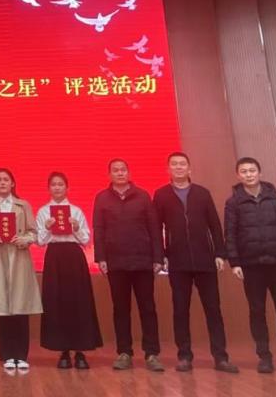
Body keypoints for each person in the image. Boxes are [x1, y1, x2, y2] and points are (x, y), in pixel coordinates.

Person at [153, 152, 238, 373]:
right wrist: (161, 255)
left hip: (205, 260)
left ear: (189, 169)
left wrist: (220, 253)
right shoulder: (161, 195)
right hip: (177, 261)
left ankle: (221, 357)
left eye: (182, 164)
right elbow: (155, 229)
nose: (178, 167)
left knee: (213, 309)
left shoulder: (202, 193)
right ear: (168, 169)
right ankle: (184, 356)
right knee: (180, 310)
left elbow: (215, 225)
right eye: (174, 164)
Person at [224, 157, 276, 375]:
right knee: (257, 312)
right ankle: (264, 357)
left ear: (260, 173)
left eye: (252, 170)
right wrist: (234, 262)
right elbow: (230, 234)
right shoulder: (233, 203)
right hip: (251, 266)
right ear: (238, 175)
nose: (248, 174)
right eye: (244, 171)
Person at [93, 159, 165, 372]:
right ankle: (124, 352)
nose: (120, 173)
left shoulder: (142, 196)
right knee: (121, 309)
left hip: (143, 261)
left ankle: (152, 353)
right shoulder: (102, 198)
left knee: (148, 308)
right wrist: (101, 258)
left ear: (129, 172)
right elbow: (98, 229)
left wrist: (158, 257)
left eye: (123, 170)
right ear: (109, 175)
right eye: (115, 170)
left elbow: (154, 228)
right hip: (116, 263)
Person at [36, 171, 102, 369]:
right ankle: (63, 351)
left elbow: (86, 240)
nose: (57, 187)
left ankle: (80, 351)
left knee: (79, 302)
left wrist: (76, 227)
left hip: (74, 257)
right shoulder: (43, 211)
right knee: (57, 302)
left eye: (60, 184)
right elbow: (40, 241)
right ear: (48, 188)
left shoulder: (76, 211)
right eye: (53, 184)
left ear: (67, 188)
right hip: (54, 257)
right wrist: (47, 228)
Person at [0, 168, 42, 371]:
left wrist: (25, 239)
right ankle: (7, 354)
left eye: (6, 179)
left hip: (19, 258)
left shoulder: (23, 205)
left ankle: (21, 355)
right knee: (3, 307)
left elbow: (34, 232)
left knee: (20, 306)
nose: (2, 183)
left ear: (12, 183)